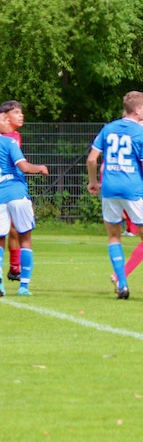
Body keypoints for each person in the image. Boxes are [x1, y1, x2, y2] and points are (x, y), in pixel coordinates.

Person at [87, 91, 143, 300]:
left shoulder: (108, 128)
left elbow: (92, 159)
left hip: (109, 189)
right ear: (137, 110)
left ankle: (123, 284)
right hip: (133, 190)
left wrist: (93, 182)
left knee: (114, 236)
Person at [0, 108, 48, 296]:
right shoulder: (10, 141)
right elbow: (23, 165)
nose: (6, 122)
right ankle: (24, 287)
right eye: (4, 119)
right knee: (25, 238)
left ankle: (1, 284)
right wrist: (40, 168)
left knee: (0, 240)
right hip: (17, 193)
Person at [1, 100, 26, 283]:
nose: (21, 115)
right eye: (16, 112)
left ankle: (14, 268)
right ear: (5, 117)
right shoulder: (7, 137)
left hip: (12, 187)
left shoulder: (15, 136)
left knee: (15, 228)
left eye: (21, 112)